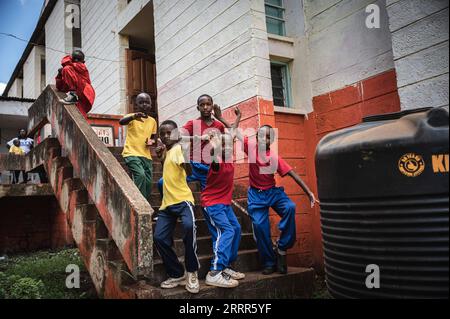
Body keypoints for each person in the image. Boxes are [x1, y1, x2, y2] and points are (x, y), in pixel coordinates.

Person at [215, 110, 319, 275]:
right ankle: (269, 262)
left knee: (290, 207)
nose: (265, 139)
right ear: (256, 137)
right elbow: (234, 131)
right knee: (260, 227)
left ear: (272, 139)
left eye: (269, 136)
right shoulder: (250, 147)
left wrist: (310, 193)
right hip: (256, 196)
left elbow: (293, 174)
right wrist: (221, 117)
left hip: (273, 193)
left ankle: (282, 247)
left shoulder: (273, 157)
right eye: (262, 136)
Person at [153, 120, 200, 294]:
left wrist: (187, 159)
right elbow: (169, 170)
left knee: (189, 228)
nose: (166, 136)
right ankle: (177, 273)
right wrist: (160, 157)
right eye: (163, 134)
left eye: (169, 133)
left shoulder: (180, 149)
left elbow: (188, 172)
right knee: (159, 238)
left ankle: (192, 271)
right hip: (167, 204)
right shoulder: (168, 151)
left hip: (183, 201)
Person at [202, 107, 245, 288]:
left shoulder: (228, 157)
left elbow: (233, 131)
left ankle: (226, 266)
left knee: (235, 228)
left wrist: (236, 117)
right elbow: (212, 152)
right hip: (213, 205)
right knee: (226, 231)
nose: (230, 145)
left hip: (224, 204)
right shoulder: (217, 160)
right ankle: (214, 271)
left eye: (230, 143)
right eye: (226, 144)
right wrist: (212, 140)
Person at [158, 94, 226, 195]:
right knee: (162, 182)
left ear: (212, 106)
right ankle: (168, 206)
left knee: (208, 200)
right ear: (198, 108)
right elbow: (176, 136)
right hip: (193, 166)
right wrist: (199, 138)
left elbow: (224, 145)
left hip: (209, 169)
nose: (205, 107)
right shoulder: (193, 123)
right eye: (202, 105)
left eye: (208, 104)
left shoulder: (219, 126)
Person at [120, 93, 157, 202]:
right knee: (140, 175)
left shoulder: (152, 121)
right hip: (131, 153)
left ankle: (144, 203)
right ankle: (140, 204)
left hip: (146, 156)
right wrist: (134, 116)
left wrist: (151, 142)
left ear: (151, 105)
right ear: (136, 105)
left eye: (147, 102)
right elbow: (121, 122)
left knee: (149, 182)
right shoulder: (131, 117)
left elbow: (153, 138)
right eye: (141, 102)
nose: (144, 105)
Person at [56, 49, 96, 119]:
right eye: (75, 59)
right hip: (81, 94)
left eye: (78, 59)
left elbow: (65, 62)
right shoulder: (71, 76)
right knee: (80, 114)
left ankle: (72, 95)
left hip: (85, 91)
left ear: (83, 62)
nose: (77, 61)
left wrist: (71, 58)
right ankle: (73, 96)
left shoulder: (82, 66)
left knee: (66, 68)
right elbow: (61, 88)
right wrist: (59, 75)